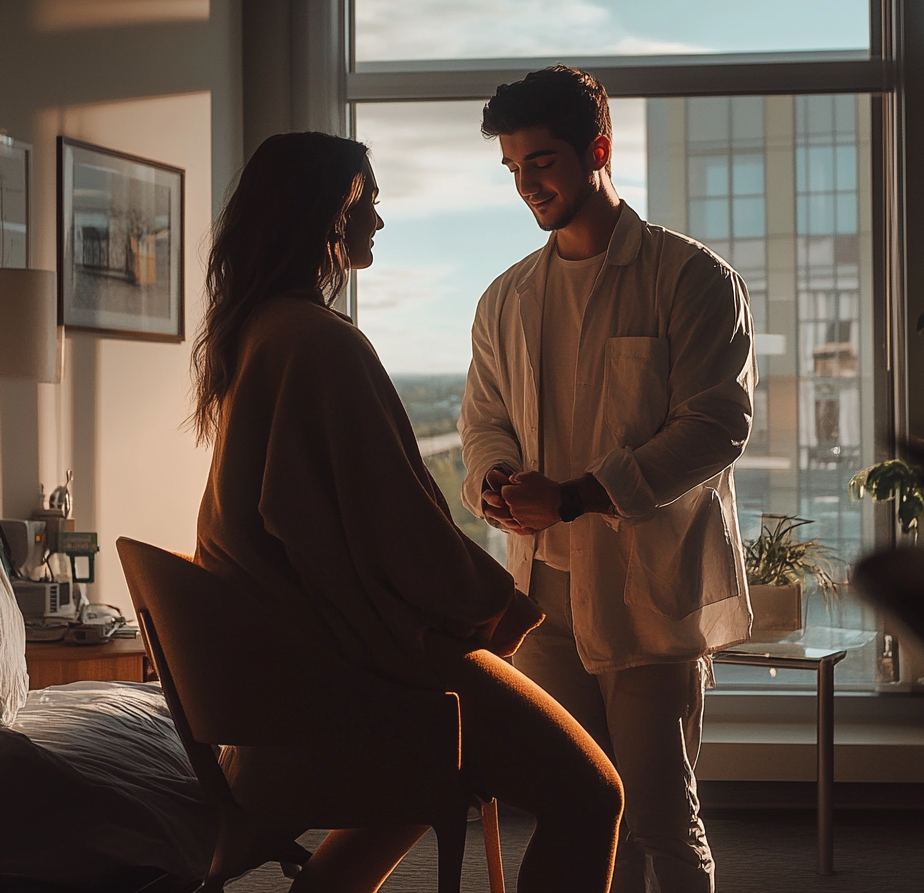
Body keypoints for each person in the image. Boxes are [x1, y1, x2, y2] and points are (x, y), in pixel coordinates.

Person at [191, 132, 622, 893]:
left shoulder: (259, 333)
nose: (381, 223)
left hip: (292, 652)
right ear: (332, 212)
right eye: (374, 203)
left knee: (434, 781)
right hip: (350, 662)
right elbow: (401, 534)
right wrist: (498, 607)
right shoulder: (321, 345)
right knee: (593, 793)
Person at [459, 67, 756, 893]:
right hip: (545, 598)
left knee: (661, 816)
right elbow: (483, 419)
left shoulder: (693, 280)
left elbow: (716, 427)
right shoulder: (505, 299)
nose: (528, 185)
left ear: (599, 149)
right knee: (578, 810)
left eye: (543, 163)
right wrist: (493, 479)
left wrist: (580, 495)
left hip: (649, 597)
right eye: (515, 169)